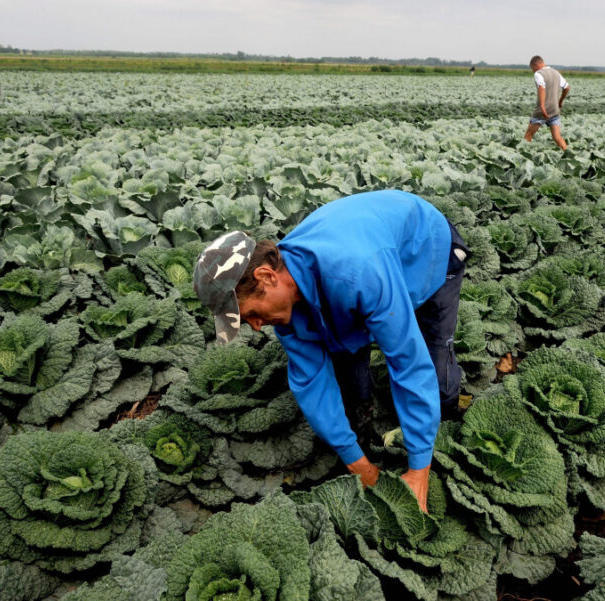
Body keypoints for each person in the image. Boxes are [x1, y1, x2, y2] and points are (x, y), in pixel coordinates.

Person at [192, 190, 469, 513]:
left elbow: (408, 361)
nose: (254, 326)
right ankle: (365, 437)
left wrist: (418, 471)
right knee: (349, 376)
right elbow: (311, 382)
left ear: (266, 277)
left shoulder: (357, 271)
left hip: (425, 248)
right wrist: (359, 465)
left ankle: (441, 430)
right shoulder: (285, 299)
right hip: (369, 257)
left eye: (250, 313)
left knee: (433, 365)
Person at [524, 55, 570, 149]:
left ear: (536, 64)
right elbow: (567, 87)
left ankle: (522, 155)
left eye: (532, 68)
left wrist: (542, 107)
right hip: (554, 109)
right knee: (557, 137)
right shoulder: (556, 72)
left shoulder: (539, 73)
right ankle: (568, 155)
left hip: (542, 110)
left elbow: (541, 88)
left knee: (528, 136)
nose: (533, 70)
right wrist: (560, 101)